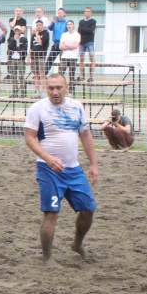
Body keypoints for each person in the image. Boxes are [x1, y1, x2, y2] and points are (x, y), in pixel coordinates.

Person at [23, 72, 99, 265]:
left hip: (73, 169)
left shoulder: (76, 107)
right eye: (51, 88)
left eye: (58, 87)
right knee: (51, 213)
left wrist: (93, 164)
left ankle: (77, 244)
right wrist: (47, 158)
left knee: (88, 209)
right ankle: (47, 258)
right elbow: (30, 137)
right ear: (45, 88)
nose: (55, 92)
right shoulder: (37, 108)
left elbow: (85, 135)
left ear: (67, 87)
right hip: (48, 169)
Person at [58, 20, 81, 87]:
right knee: (60, 74)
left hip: (73, 57)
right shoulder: (64, 35)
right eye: (68, 24)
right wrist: (71, 46)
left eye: (70, 24)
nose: (69, 25)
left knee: (72, 75)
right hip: (64, 57)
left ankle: (71, 91)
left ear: (73, 25)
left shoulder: (77, 35)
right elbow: (60, 46)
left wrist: (66, 46)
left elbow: (75, 46)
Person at [30, 20, 50, 95]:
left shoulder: (46, 33)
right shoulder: (33, 35)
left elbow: (41, 43)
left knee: (42, 74)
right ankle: (37, 91)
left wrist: (37, 35)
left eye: (39, 25)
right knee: (36, 74)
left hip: (41, 56)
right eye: (37, 25)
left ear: (42, 26)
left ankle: (44, 91)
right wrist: (29, 56)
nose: (38, 26)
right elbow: (31, 46)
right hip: (34, 56)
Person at [78, 6, 98, 82]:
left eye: (88, 11)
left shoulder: (93, 21)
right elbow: (80, 30)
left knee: (92, 58)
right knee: (81, 59)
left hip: (90, 42)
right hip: (82, 42)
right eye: (85, 11)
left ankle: (92, 76)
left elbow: (91, 30)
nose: (87, 13)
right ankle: (81, 76)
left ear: (91, 12)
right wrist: (85, 29)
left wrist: (84, 29)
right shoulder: (81, 22)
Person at [7, 26, 28, 96]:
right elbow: (10, 47)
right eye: (15, 30)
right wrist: (15, 41)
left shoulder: (24, 39)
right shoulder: (12, 39)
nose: (17, 32)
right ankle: (14, 92)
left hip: (21, 59)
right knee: (14, 76)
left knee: (21, 76)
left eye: (18, 30)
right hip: (13, 58)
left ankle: (23, 92)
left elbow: (23, 49)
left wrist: (16, 48)